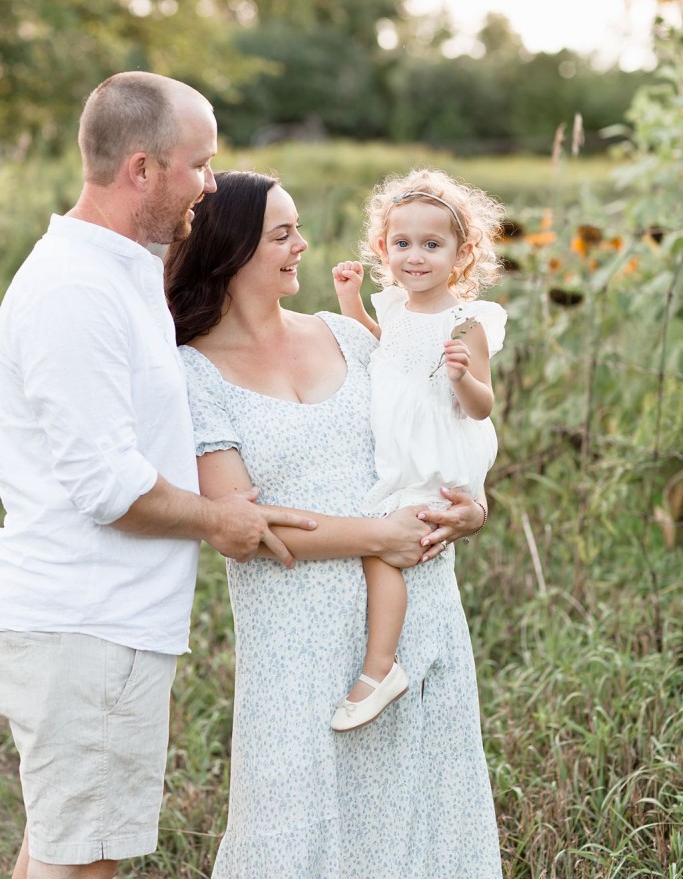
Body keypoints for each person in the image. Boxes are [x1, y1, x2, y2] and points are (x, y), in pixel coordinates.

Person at [0, 72, 323, 879]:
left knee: (58, 850)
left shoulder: (122, 268)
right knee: (86, 863)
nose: (210, 185)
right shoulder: (75, 289)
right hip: (90, 625)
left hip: (101, 622)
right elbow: (109, 487)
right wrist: (225, 521)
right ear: (141, 169)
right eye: (198, 165)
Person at [164, 169, 502, 879]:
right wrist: (379, 537)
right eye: (283, 234)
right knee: (292, 831)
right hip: (298, 644)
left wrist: (469, 508)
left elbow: (431, 438)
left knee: (427, 826)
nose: (303, 245)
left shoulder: (348, 336)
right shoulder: (189, 374)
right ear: (230, 250)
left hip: (417, 615)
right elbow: (248, 527)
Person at [330, 167, 507, 732]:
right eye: (402, 243)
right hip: (402, 449)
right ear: (384, 248)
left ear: (461, 254)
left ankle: (379, 669)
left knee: (383, 547)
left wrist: (460, 377)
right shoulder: (397, 308)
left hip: (438, 451)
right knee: (384, 539)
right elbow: (389, 351)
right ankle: (384, 666)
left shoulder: (467, 322)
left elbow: (482, 406)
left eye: (432, 245)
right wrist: (350, 301)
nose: (416, 256)